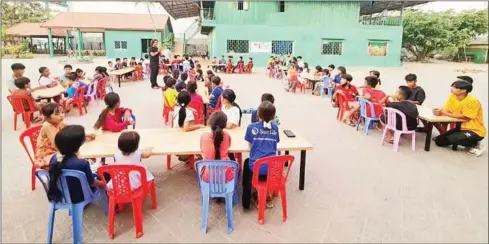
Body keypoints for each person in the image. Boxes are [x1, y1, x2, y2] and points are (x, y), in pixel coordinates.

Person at [47, 125, 106, 204]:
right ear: (80, 144)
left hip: (62, 194)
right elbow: (92, 183)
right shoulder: (82, 163)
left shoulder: (54, 158)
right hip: (79, 196)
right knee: (105, 173)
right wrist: (104, 184)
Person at [242, 101, 280, 210]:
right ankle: (267, 193)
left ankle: (246, 202)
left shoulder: (251, 127)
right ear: (273, 116)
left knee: (247, 162)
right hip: (272, 168)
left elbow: (249, 144)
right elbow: (275, 144)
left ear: (258, 114)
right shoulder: (275, 128)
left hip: (256, 167)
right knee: (265, 162)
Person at [433, 81, 486, 156]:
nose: (452, 88)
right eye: (452, 86)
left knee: (453, 139)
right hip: (460, 128)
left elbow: (466, 117)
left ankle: (475, 144)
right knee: (439, 141)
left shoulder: (473, 101)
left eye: (455, 87)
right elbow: (448, 108)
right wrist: (440, 111)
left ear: (463, 90)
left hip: (474, 130)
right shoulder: (452, 96)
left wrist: (445, 113)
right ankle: (468, 141)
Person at [35, 103, 95, 168]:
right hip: (48, 153)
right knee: (76, 157)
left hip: (60, 148)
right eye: (57, 114)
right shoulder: (47, 125)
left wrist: (85, 135)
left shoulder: (60, 122)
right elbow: (56, 144)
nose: (61, 115)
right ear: (47, 118)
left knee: (85, 153)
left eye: (62, 112)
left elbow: (71, 130)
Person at [199, 111, 235, 183]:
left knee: (199, 164)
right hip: (226, 175)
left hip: (209, 176)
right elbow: (228, 146)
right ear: (224, 125)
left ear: (210, 123)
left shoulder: (204, 136)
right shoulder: (227, 135)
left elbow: (202, 150)